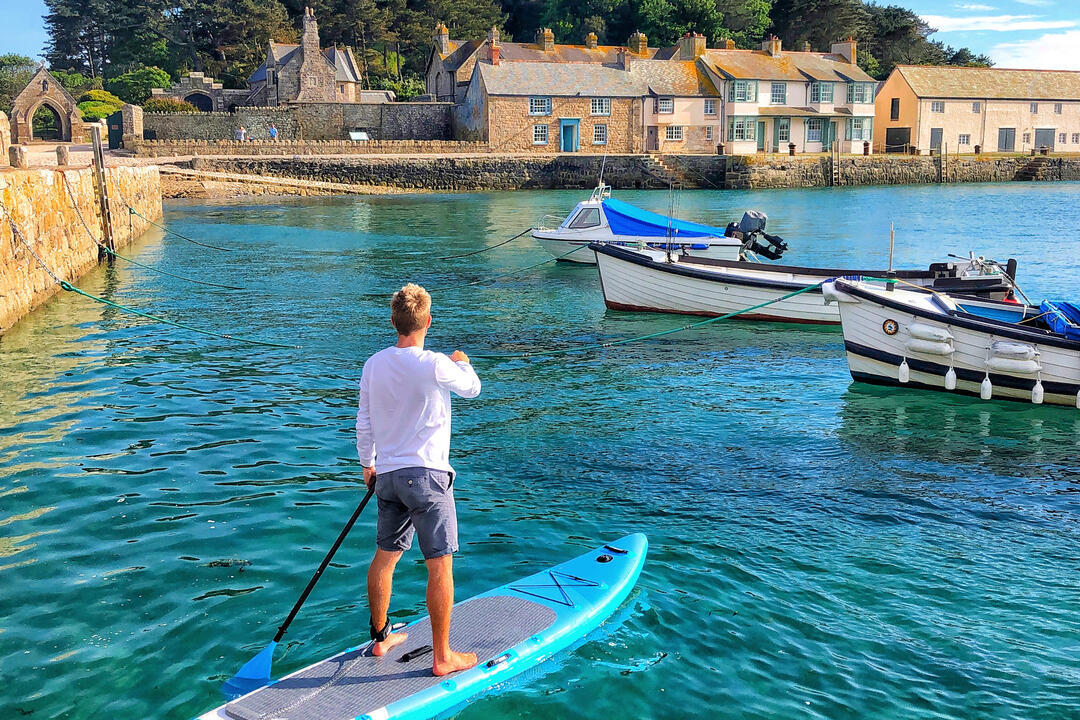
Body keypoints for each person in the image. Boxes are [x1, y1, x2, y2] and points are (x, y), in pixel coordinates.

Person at [355, 283, 481, 676]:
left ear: (393, 322)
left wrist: (368, 465)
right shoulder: (436, 363)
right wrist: (464, 363)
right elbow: (473, 389)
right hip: (427, 477)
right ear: (427, 321)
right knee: (439, 566)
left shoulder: (373, 364)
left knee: (385, 558)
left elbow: (364, 421)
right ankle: (443, 657)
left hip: (388, 477)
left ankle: (380, 639)